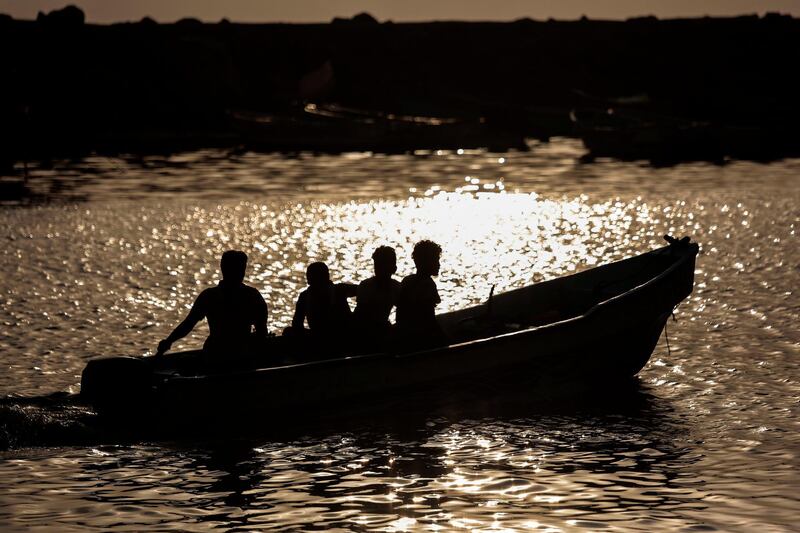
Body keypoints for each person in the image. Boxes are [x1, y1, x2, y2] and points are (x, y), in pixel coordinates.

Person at [155, 250, 269, 368]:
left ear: (222, 268)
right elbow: (262, 334)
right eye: (240, 268)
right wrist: (168, 342)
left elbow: (188, 324)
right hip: (239, 358)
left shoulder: (209, 296)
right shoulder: (253, 296)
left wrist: (168, 341)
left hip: (215, 357)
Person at [286, 262, 357, 345]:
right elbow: (297, 324)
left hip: (325, 338)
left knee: (288, 332)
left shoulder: (305, 296)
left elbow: (297, 324)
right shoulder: (339, 289)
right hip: (339, 337)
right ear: (327, 277)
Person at [395, 240, 448, 350]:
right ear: (426, 261)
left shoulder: (407, 281)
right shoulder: (427, 285)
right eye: (436, 260)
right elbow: (429, 320)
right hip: (420, 340)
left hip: (404, 338)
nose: (438, 264)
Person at [352, 246, 401, 350]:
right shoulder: (366, 286)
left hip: (380, 330)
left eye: (382, 265)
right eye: (378, 265)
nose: (379, 269)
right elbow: (360, 317)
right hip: (365, 333)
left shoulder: (396, 287)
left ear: (393, 268)